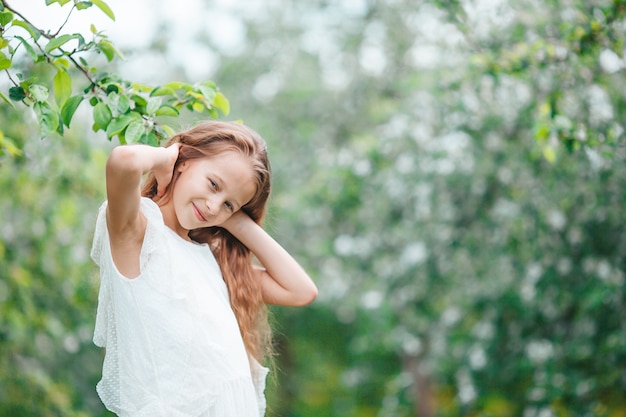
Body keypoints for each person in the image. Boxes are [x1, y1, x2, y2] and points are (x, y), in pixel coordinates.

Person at [90, 121, 318, 417]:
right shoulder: (139, 234)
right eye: (213, 185)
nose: (212, 207)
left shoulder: (212, 260)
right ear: (185, 161)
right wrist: (165, 158)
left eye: (228, 204)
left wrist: (234, 220)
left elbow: (301, 290)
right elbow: (124, 161)